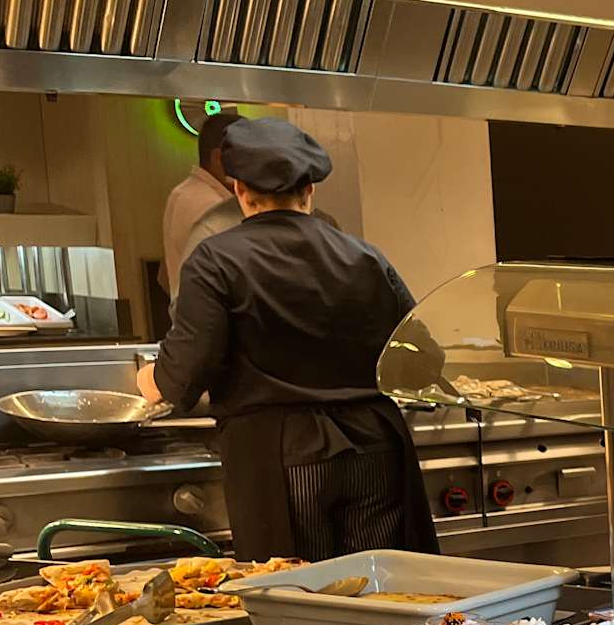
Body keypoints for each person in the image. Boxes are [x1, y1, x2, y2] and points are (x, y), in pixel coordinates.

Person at [138, 116, 439, 560]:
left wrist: (150, 379)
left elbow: (185, 375)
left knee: (299, 589)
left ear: (240, 190)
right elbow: (423, 361)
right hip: (374, 449)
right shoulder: (365, 257)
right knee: (383, 585)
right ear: (309, 190)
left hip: (283, 458)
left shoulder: (215, 261)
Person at [159, 109, 242, 303]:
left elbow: (163, 277)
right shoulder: (210, 205)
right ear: (219, 158)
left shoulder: (182, 193)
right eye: (246, 156)